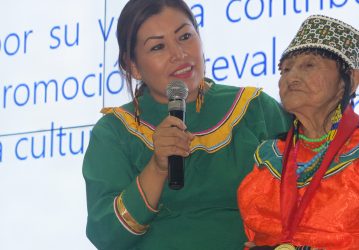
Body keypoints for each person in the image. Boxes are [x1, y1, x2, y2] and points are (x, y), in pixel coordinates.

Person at [82, 0, 291, 249]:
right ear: (133, 66)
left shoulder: (255, 108)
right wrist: (158, 167)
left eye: (185, 36)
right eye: (158, 46)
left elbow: (308, 198)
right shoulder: (115, 131)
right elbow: (107, 236)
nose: (179, 54)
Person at [238, 15, 359, 250]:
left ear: (350, 80)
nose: (290, 77)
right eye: (285, 69)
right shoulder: (268, 157)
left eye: (309, 65)